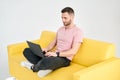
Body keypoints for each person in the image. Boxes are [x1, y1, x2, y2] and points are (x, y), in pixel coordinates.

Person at [21, 7, 83, 77]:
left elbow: (73, 51)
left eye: (65, 18)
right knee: (26, 51)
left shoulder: (78, 32)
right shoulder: (60, 29)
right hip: (54, 55)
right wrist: (46, 49)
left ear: (72, 17)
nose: (63, 20)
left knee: (46, 61)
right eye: (62, 18)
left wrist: (57, 54)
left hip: (65, 58)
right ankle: (46, 66)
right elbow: (54, 42)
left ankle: (33, 67)